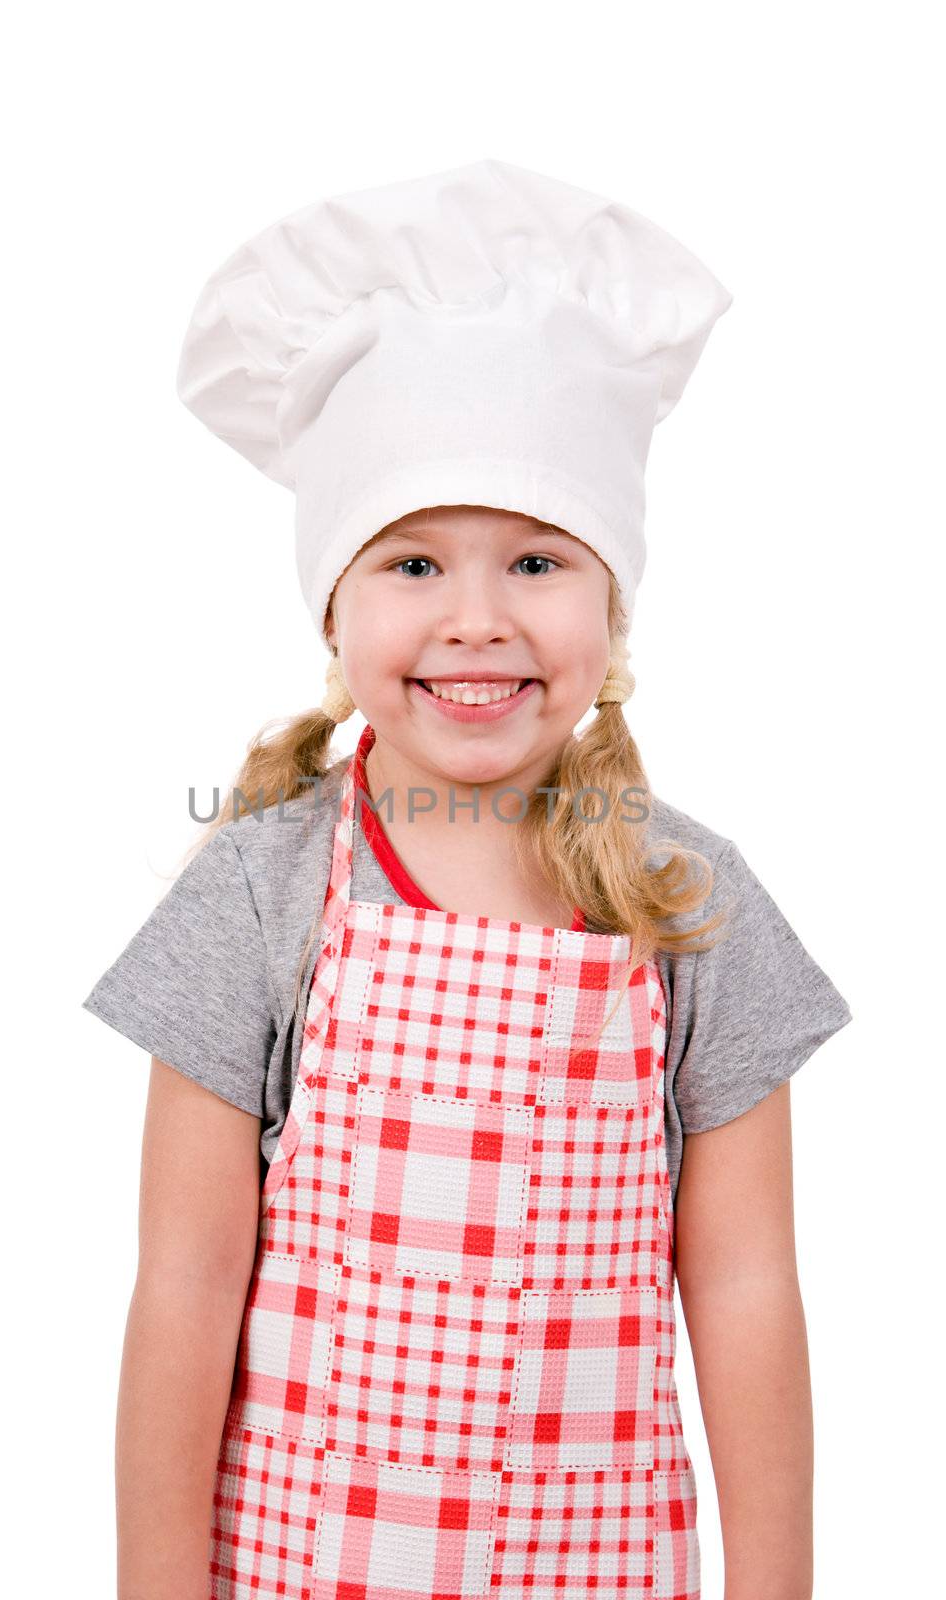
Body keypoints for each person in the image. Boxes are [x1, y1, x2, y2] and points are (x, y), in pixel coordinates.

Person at [83, 159, 852, 1600]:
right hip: (297, 1567)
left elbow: (746, 1290)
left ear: (613, 599)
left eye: (541, 561)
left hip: (597, 1569)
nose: (479, 623)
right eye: (417, 563)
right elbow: (183, 1288)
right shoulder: (262, 889)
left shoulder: (691, 900)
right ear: (336, 601)